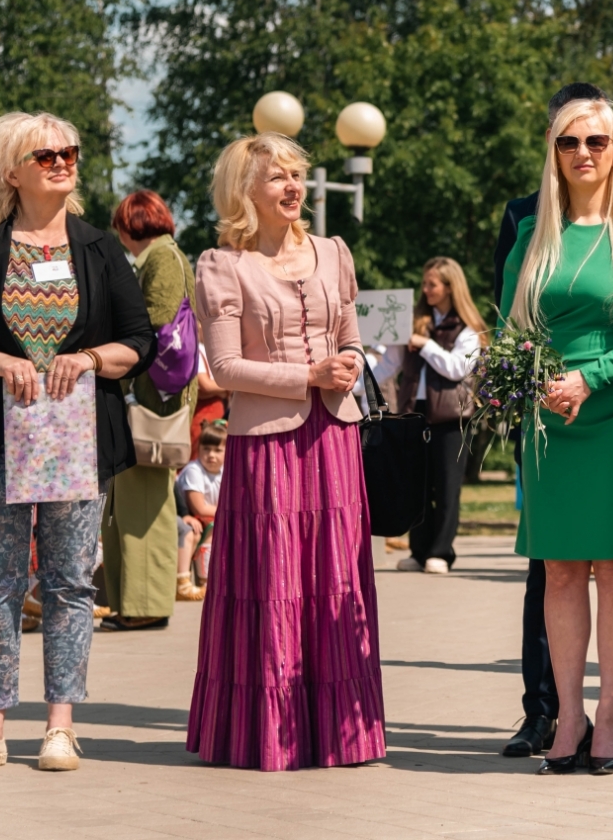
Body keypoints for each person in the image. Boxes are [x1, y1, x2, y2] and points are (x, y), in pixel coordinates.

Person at [0, 111, 155, 772]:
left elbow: (140, 340)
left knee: (70, 584)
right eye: (45, 154)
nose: (62, 162)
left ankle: (61, 726)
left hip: (77, 440)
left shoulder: (99, 249)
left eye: (69, 152)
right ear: (11, 171)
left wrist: (88, 359)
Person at [187, 132, 385, 771]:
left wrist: (349, 364)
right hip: (267, 446)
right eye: (277, 178)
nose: (293, 187)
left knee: (337, 581)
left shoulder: (333, 252)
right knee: (273, 583)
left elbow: (353, 340)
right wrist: (307, 377)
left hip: (336, 437)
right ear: (245, 191)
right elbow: (222, 366)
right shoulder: (222, 265)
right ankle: (267, 733)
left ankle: (341, 734)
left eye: (296, 175)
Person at [492, 82, 613, 761]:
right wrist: (536, 381)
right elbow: (513, 329)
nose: (582, 152)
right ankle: (565, 719)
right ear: (553, 150)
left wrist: (590, 378)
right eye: (568, 141)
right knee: (562, 571)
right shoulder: (533, 234)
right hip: (550, 422)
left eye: (596, 140)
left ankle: (610, 720)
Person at [101, 190, 197, 631]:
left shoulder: (162, 260)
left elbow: (155, 325)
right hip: (151, 399)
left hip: (150, 402)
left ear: (129, 225)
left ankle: (145, 605)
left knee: (144, 510)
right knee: (134, 506)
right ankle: (134, 602)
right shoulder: (167, 258)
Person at [395, 256, 485, 575]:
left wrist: (426, 345)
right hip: (414, 414)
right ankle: (418, 551)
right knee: (417, 486)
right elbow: (391, 363)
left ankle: (441, 552)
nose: (425, 289)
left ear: (449, 287)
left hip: (451, 418)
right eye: (424, 283)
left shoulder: (467, 329)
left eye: (431, 284)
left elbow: (458, 367)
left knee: (447, 488)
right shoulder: (415, 322)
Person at [175, 421, 225, 602]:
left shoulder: (225, 471)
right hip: (194, 519)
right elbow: (199, 508)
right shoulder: (194, 470)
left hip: (212, 517)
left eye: (218, 450)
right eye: (206, 449)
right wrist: (228, 512)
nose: (211, 455)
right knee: (212, 529)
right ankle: (206, 581)